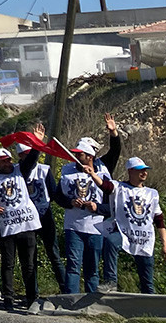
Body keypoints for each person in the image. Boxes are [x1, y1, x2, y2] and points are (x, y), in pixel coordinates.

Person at [57, 114, 120, 294]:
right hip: (73, 226)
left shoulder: (103, 166)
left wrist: (113, 132)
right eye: (75, 154)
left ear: (90, 156)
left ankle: (91, 305)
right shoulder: (66, 169)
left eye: (80, 154)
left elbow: (115, 151)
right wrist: (70, 202)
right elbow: (58, 195)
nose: (76, 157)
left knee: (92, 270)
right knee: (73, 266)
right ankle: (71, 301)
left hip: (96, 227)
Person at [91, 156, 166, 294]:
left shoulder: (152, 194)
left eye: (145, 170)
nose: (144, 173)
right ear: (130, 171)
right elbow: (105, 185)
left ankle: (150, 306)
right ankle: (111, 282)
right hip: (125, 234)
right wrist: (92, 174)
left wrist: (165, 245)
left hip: (144, 239)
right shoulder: (120, 188)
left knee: (147, 280)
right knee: (110, 242)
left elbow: (160, 221)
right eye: (140, 170)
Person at [0, 145, 42, 311]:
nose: (7, 163)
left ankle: (32, 298)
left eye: (9, 160)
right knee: (8, 264)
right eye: (3, 161)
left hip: (27, 225)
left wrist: (37, 143)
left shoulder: (20, 171)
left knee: (29, 265)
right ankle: (8, 297)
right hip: (7, 227)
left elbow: (32, 159)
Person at [17, 123, 64, 286]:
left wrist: (69, 203)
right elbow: (29, 163)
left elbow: (54, 193)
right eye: (25, 154)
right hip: (27, 219)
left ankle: (66, 289)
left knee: (54, 254)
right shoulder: (18, 171)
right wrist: (37, 144)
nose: (29, 156)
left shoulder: (44, 170)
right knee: (30, 258)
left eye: (30, 152)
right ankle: (33, 292)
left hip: (45, 215)